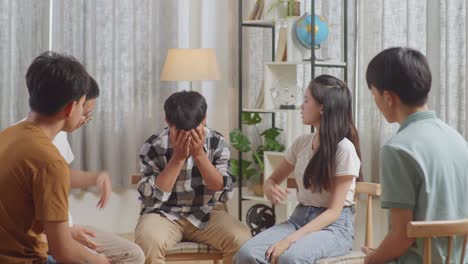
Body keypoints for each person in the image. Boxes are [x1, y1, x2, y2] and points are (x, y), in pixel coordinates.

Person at [234, 74, 362, 264]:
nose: (301, 106)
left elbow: (334, 212)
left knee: (291, 258)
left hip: (334, 227)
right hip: (299, 219)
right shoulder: (302, 143)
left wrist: (289, 240)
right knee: (246, 254)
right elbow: (273, 179)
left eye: (306, 100)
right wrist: (270, 186)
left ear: (322, 108)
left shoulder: (344, 149)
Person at [0, 51, 109, 263]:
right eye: (82, 104)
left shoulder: (8, 135)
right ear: (70, 108)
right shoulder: (49, 160)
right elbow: (64, 252)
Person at [362, 47, 468, 264]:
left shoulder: (398, 149)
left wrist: (371, 259)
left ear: (388, 97)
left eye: (374, 94)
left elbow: (401, 237)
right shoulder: (458, 139)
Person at [135, 91, 251, 264]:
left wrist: (199, 155)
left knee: (242, 239)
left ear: (204, 119)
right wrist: (178, 158)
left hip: (207, 212)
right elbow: (149, 197)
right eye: (180, 132)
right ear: (167, 122)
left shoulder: (216, 142)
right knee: (148, 240)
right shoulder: (153, 145)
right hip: (162, 213)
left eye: (194, 131)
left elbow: (223, 192)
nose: (188, 137)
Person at [43, 77, 145, 263]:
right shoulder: (35, 147)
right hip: (53, 236)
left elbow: (59, 176)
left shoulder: (58, 134)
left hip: (66, 228)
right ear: (71, 107)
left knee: (133, 253)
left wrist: (95, 177)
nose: (85, 120)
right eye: (85, 112)